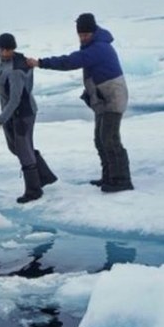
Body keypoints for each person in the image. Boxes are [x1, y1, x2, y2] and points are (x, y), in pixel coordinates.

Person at [27, 13, 134, 193]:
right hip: (102, 98)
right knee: (100, 139)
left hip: (112, 98)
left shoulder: (99, 47)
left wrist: (41, 63)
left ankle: (122, 180)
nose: (83, 38)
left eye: (86, 34)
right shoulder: (93, 45)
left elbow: (71, 61)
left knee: (110, 139)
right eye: (81, 35)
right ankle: (109, 176)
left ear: (93, 31)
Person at [0, 33, 58, 204]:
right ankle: (45, 176)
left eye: (9, 50)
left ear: (13, 48)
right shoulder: (1, 59)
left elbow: (15, 100)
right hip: (11, 112)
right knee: (16, 148)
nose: (5, 53)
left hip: (22, 113)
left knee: (23, 149)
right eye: (3, 49)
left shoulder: (16, 70)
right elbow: (0, 72)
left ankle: (34, 190)